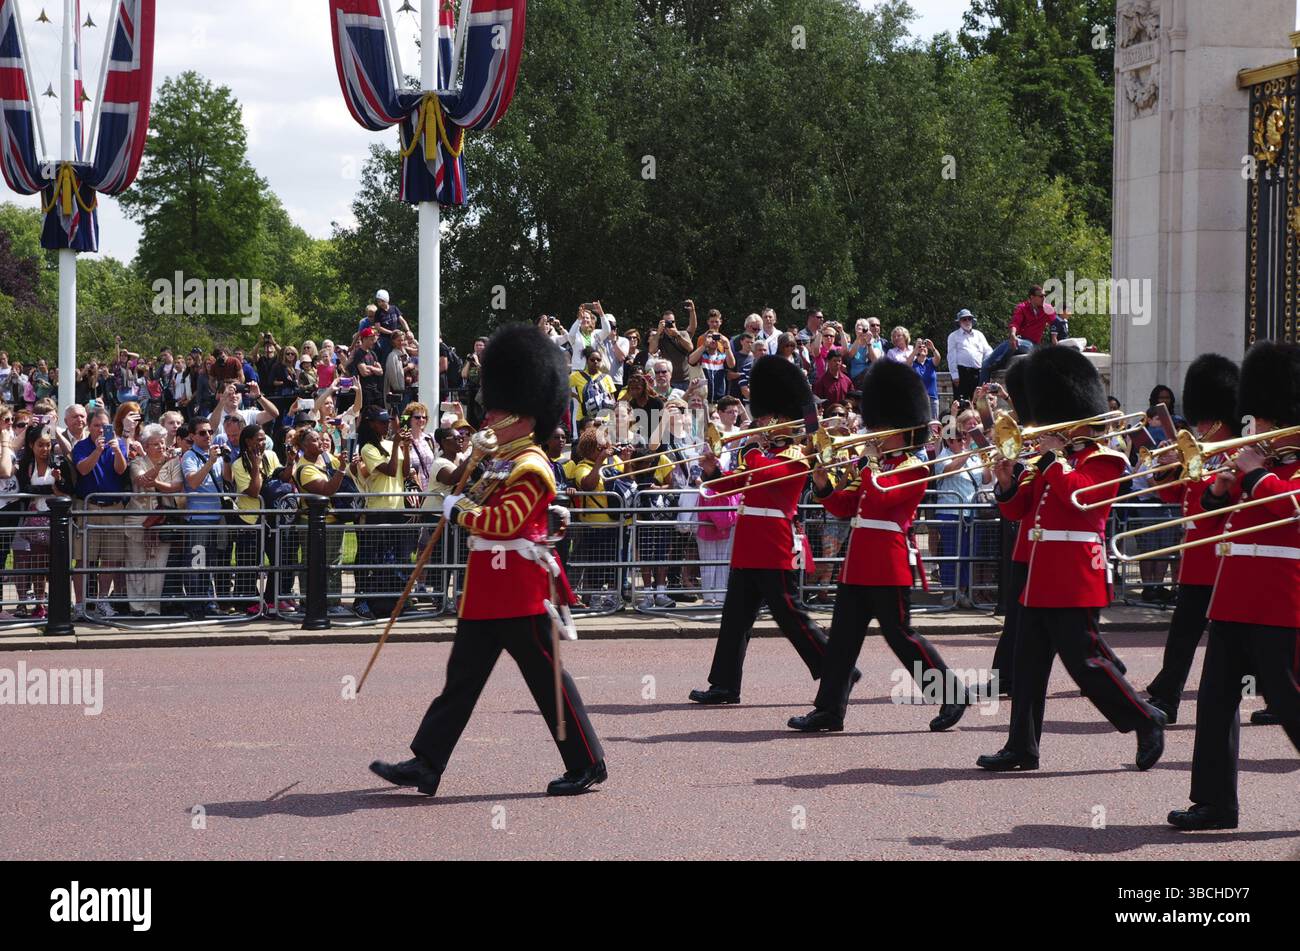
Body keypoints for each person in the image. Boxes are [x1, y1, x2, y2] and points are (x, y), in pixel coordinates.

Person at [370, 324, 607, 798]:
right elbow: (475, 500)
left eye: (496, 409)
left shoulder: (531, 465)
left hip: (519, 590)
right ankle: (427, 763)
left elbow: (505, 522)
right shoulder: (500, 460)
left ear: (522, 415)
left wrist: (461, 511)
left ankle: (586, 763)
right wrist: (466, 477)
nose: (488, 414)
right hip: (485, 591)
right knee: (460, 681)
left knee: (547, 681)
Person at [978, 346, 1165, 772]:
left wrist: (1052, 459)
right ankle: (1022, 746)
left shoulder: (1107, 458)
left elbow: (1084, 500)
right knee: (1027, 666)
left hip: (1074, 573)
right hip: (1040, 573)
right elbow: (1020, 511)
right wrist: (1007, 482)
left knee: (1086, 663)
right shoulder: (1051, 461)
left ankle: (1145, 719)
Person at [789, 360, 969, 734]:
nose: (873, 432)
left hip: (888, 564)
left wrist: (868, 464)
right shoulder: (875, 465)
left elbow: (883, 497)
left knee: (901, 636)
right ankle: (829, 710)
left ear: (902, 430)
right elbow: (843, 505)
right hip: (857, 563)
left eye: (881, 427)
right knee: (841, 640)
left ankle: (951, 693)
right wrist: (822, 483)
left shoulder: (914, 468)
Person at [1168, 342, 1300, 830]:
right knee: (1216, 701)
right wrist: (1219, 490)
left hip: (1279, 599)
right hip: (1233, 598)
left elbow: (1291, 511)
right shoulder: (1258, 465)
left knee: (1289, 702)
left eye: (1265, 421)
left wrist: (1255, 475)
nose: (1258, 429)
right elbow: (1222, 519)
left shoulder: (1281, 468)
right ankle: (1215, 802)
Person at [687, 356, 835, 708]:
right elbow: (736, 483)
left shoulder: (800, 453)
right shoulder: (765, 451)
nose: (768, 425)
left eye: (775, 420)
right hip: (749, 545)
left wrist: (751, 448)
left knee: (790, 615)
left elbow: (769, 476)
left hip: (772, 544)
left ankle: (834, 665)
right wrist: (713, 472)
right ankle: (724, 684)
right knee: (735, 619)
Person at [1139, 355, 1240, 725]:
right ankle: (1167, 697)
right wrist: (1165, 467)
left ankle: (1278, 695)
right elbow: (1172, 497)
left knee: (1247, 640)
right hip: (1197, 560)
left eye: (1202, 419)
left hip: (1227, 560)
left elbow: (1217, 502)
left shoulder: (1237, 454)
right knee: (1183, 634)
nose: (1198, 425)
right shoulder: (1202, 452)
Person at [352, 406, 412, 620]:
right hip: (378, 510)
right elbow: (387, 470)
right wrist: (396, 445)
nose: (387, 425)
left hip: (397, 508)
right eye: (383, 421)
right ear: (371, 423)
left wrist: (405, 447)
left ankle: (391, 601)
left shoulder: (389, 443)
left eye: (388, 421)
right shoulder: (367, 448)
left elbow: (404, 473)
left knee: (395, 558)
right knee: (371, 559)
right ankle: (362, 601)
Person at [73, 406, 131, 620]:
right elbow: (83, 469)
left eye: (104, 426)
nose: (100, 430)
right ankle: (79, 605)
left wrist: (116, 450)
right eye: (96, 426)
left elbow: (120, 470)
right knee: (83, 560)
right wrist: (97, 451)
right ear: (89, 427)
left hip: (113, 509)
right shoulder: (81, 446)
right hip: (89, 509)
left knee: (110, 559)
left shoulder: (118, 445)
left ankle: (102, 601)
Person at [123, 424, 176, 617]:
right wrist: (160, 466)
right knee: (136, 565)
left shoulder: (173, 462)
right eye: (155, 444)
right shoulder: (137, 463)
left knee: (157, 566)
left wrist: (161, 474)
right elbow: (141, 481)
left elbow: (176, 486)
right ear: (146, 445)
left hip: (161, 520)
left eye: (162, 442)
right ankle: (137, 607)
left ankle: (153, 608)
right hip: (137, 519)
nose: (161, 446)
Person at [979, 284, 1055, 384]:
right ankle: (980, 396)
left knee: (1016, 344)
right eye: (1041, 296)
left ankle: (997, 363)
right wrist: (1013, 334)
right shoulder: (1022, 307)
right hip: (1018, 340)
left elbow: (1056, 324)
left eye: (1045, 295)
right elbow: (1015, 323)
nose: (1044, 298)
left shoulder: (1047, 309)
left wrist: (1055, 340)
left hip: (1032, 344)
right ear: (1032, 297)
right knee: (985, 365)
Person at [570, 346, 617, 434]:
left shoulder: (607, 378)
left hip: (604, 419)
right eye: (592, 360)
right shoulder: (577, 376)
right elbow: (563, 387)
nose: (595, 362)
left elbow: (612, 399)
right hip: (584, 418)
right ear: (587, 361)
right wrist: (576, 397)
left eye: (598, 360)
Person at [947, 309, 991, 402]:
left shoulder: (979, 335)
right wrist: (955, 375)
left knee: (980, 403)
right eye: (964, 319)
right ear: (959, 322)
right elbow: (951, 356)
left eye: (969, 319)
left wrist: (987, 365)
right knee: (962, 404)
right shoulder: (953, 336)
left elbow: (988, 351)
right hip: (962, 373)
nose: (967, 321)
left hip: (978, 373)